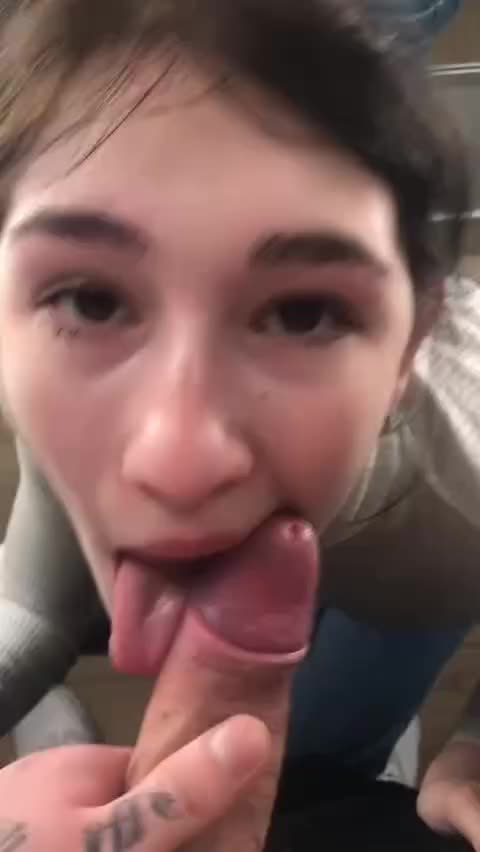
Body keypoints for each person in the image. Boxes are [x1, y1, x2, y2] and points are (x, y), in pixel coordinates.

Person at [0, 0, 476, 848]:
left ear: (411, 344)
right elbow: (26, 608)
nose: (177, 459)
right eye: (93, 300)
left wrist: (473, 745)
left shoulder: (462, 493)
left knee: (319, 762)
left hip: (425, 580)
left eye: (303, 313)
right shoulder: (59, 405)